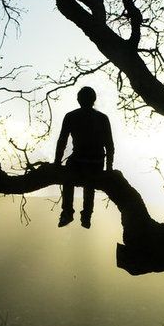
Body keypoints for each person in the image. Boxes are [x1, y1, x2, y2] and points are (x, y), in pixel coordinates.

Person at [54, 86, 114, 228]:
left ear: (78, 100)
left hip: (80, 161)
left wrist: (57, 162)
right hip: (96, 162)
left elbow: (62, 141)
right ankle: (86, 215)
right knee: (90, 184)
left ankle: (68, 212)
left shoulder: (71, 116)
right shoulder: (102, 118)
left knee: (70, 178)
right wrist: (109, 168)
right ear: (94, 100)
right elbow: (109, 145)